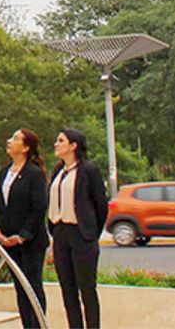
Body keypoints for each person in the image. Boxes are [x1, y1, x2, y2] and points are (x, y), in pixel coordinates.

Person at [48, 128, 108, 329]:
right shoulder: (57, 171)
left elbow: (100, 204)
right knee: (67, 289)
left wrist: (91, 232)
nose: (56, 144)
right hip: (60, 233)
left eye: (61, 140)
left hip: (81, 234)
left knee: (87, 289)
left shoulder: (88, 170)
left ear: (73, 145)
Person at [0, 129, 49, 329]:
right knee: (19, 288)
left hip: (31, 241)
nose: (10, 141)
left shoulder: (34, 174)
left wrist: (23, 235)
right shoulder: (4, 172)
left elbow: (39, 207)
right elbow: (0, 204)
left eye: (15, 139)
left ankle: (38, 325)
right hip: (8, 239)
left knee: (32, 286)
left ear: (26, 148)